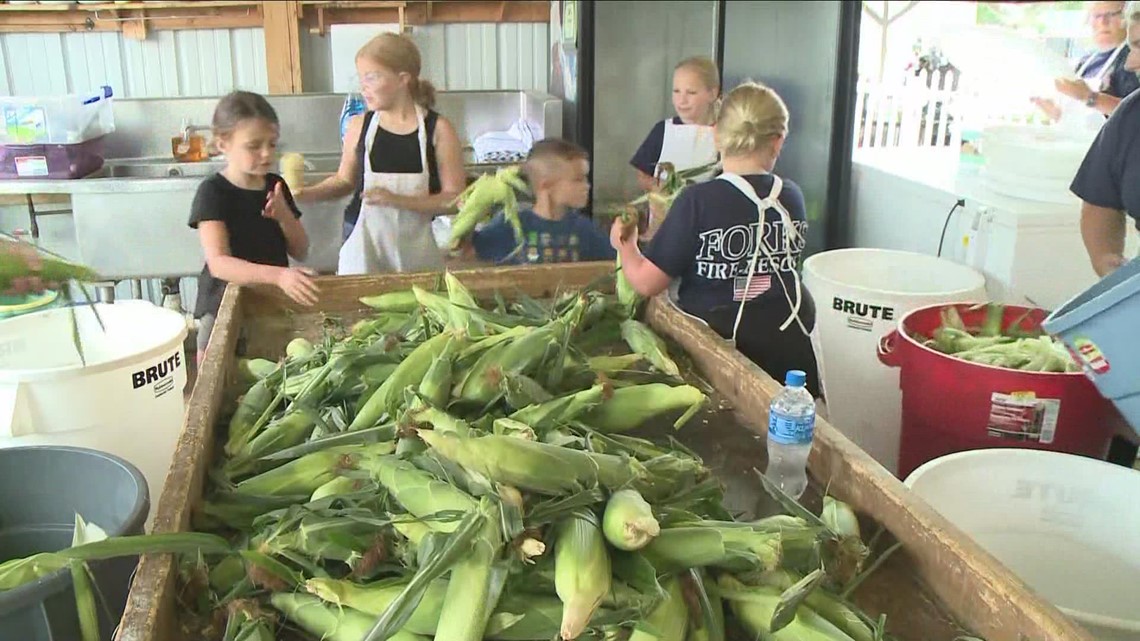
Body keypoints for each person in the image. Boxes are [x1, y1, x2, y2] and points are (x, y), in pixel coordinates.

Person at [611, 80, 821, 398]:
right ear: (778, 142)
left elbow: (646, 282)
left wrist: (625, 246)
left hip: (721, 352)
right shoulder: (791, 196)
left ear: (715, 135)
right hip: (788, 346)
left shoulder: (699, 201)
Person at [296, 32, 466, 275]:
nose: (363, 88)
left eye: (372, 77)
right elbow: (344, 181)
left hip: (415, 249)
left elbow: (455, 199)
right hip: (361, 243)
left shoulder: (438, 130)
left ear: (403, 79)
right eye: (361, 78)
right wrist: (304, 194)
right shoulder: (359, 126)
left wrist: (399, 201)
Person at [188, 91, 317, 365]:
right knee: (218, 377)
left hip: (269, 304)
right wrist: (280, 276)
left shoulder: (275, 186)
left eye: (272, 144)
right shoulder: (213, 192)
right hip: (223, 304)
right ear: (223, 144)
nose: (266, 153)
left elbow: (301, 250)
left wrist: (284, 216)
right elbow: (219, 263)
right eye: (254, 145)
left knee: (270, 372)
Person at [1069, 2, 1140, 468]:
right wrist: (1107, 263)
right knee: (1119, 424)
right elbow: (1100, 202)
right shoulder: (1133, 114)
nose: (1131, 63)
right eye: (1132, 46)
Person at [470, 139, 614, 265]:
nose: (587, 186)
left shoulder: (585, 230)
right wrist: (472, 214)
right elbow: (467, 251)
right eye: (578, 180)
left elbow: (616, 263)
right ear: (546, 186)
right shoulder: (510, 225)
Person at [630, 56, 721, 239]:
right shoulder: (663, 130)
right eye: (676, 91)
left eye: (691, 93)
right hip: (664, 224)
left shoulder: (723, 134)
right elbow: (641, 173)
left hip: (709, 226)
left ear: (712, 93)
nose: (682, 100)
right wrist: (660, 189)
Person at [1032, 1, 1139, 122]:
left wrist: (1090, 97)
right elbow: (1080, 120)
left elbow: (1135, 113)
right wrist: (1054, 112)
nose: (1102, 22)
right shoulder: (1085, 62)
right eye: (1096, 16)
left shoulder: (1133, 59)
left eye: (1111, 14)